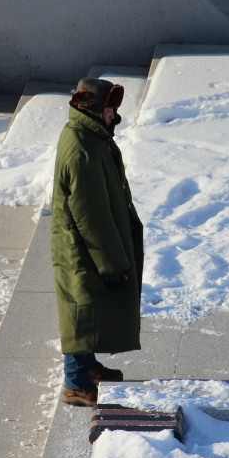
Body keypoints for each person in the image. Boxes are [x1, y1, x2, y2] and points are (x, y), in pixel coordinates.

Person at [51, 77, 144, 407]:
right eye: (108, 110)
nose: (112, 117)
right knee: (80, 308)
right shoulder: (82, 149)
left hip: (86, 243)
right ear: (91, 109)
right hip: (83, 247)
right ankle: (75, 383)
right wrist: (110, 261)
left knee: (86, 306)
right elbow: (89, 214)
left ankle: (87, 368)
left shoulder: (90, 137)